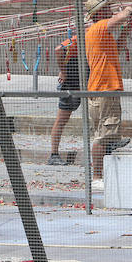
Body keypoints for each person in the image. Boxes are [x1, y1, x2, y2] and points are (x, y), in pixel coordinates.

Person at [83, 0, 132, 190]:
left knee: (107, 133)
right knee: (102, 135)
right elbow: (118, 18)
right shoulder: (98, 27)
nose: (111, 9)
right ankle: (96, 178)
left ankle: (104, 173)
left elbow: (117, 48)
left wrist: (127, 30)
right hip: (103, 88)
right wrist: (127, 11)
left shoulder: (102, 33)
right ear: (99, 12)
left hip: (107, 88)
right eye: (107, 7)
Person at [47, 34, 83, 165]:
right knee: (61, 119)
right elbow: (58, 49)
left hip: (83, 84)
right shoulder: (79, 38)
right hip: (71, 84)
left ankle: (106, 146)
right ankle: (54, 154)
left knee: (97, 114)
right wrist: (63, 70)